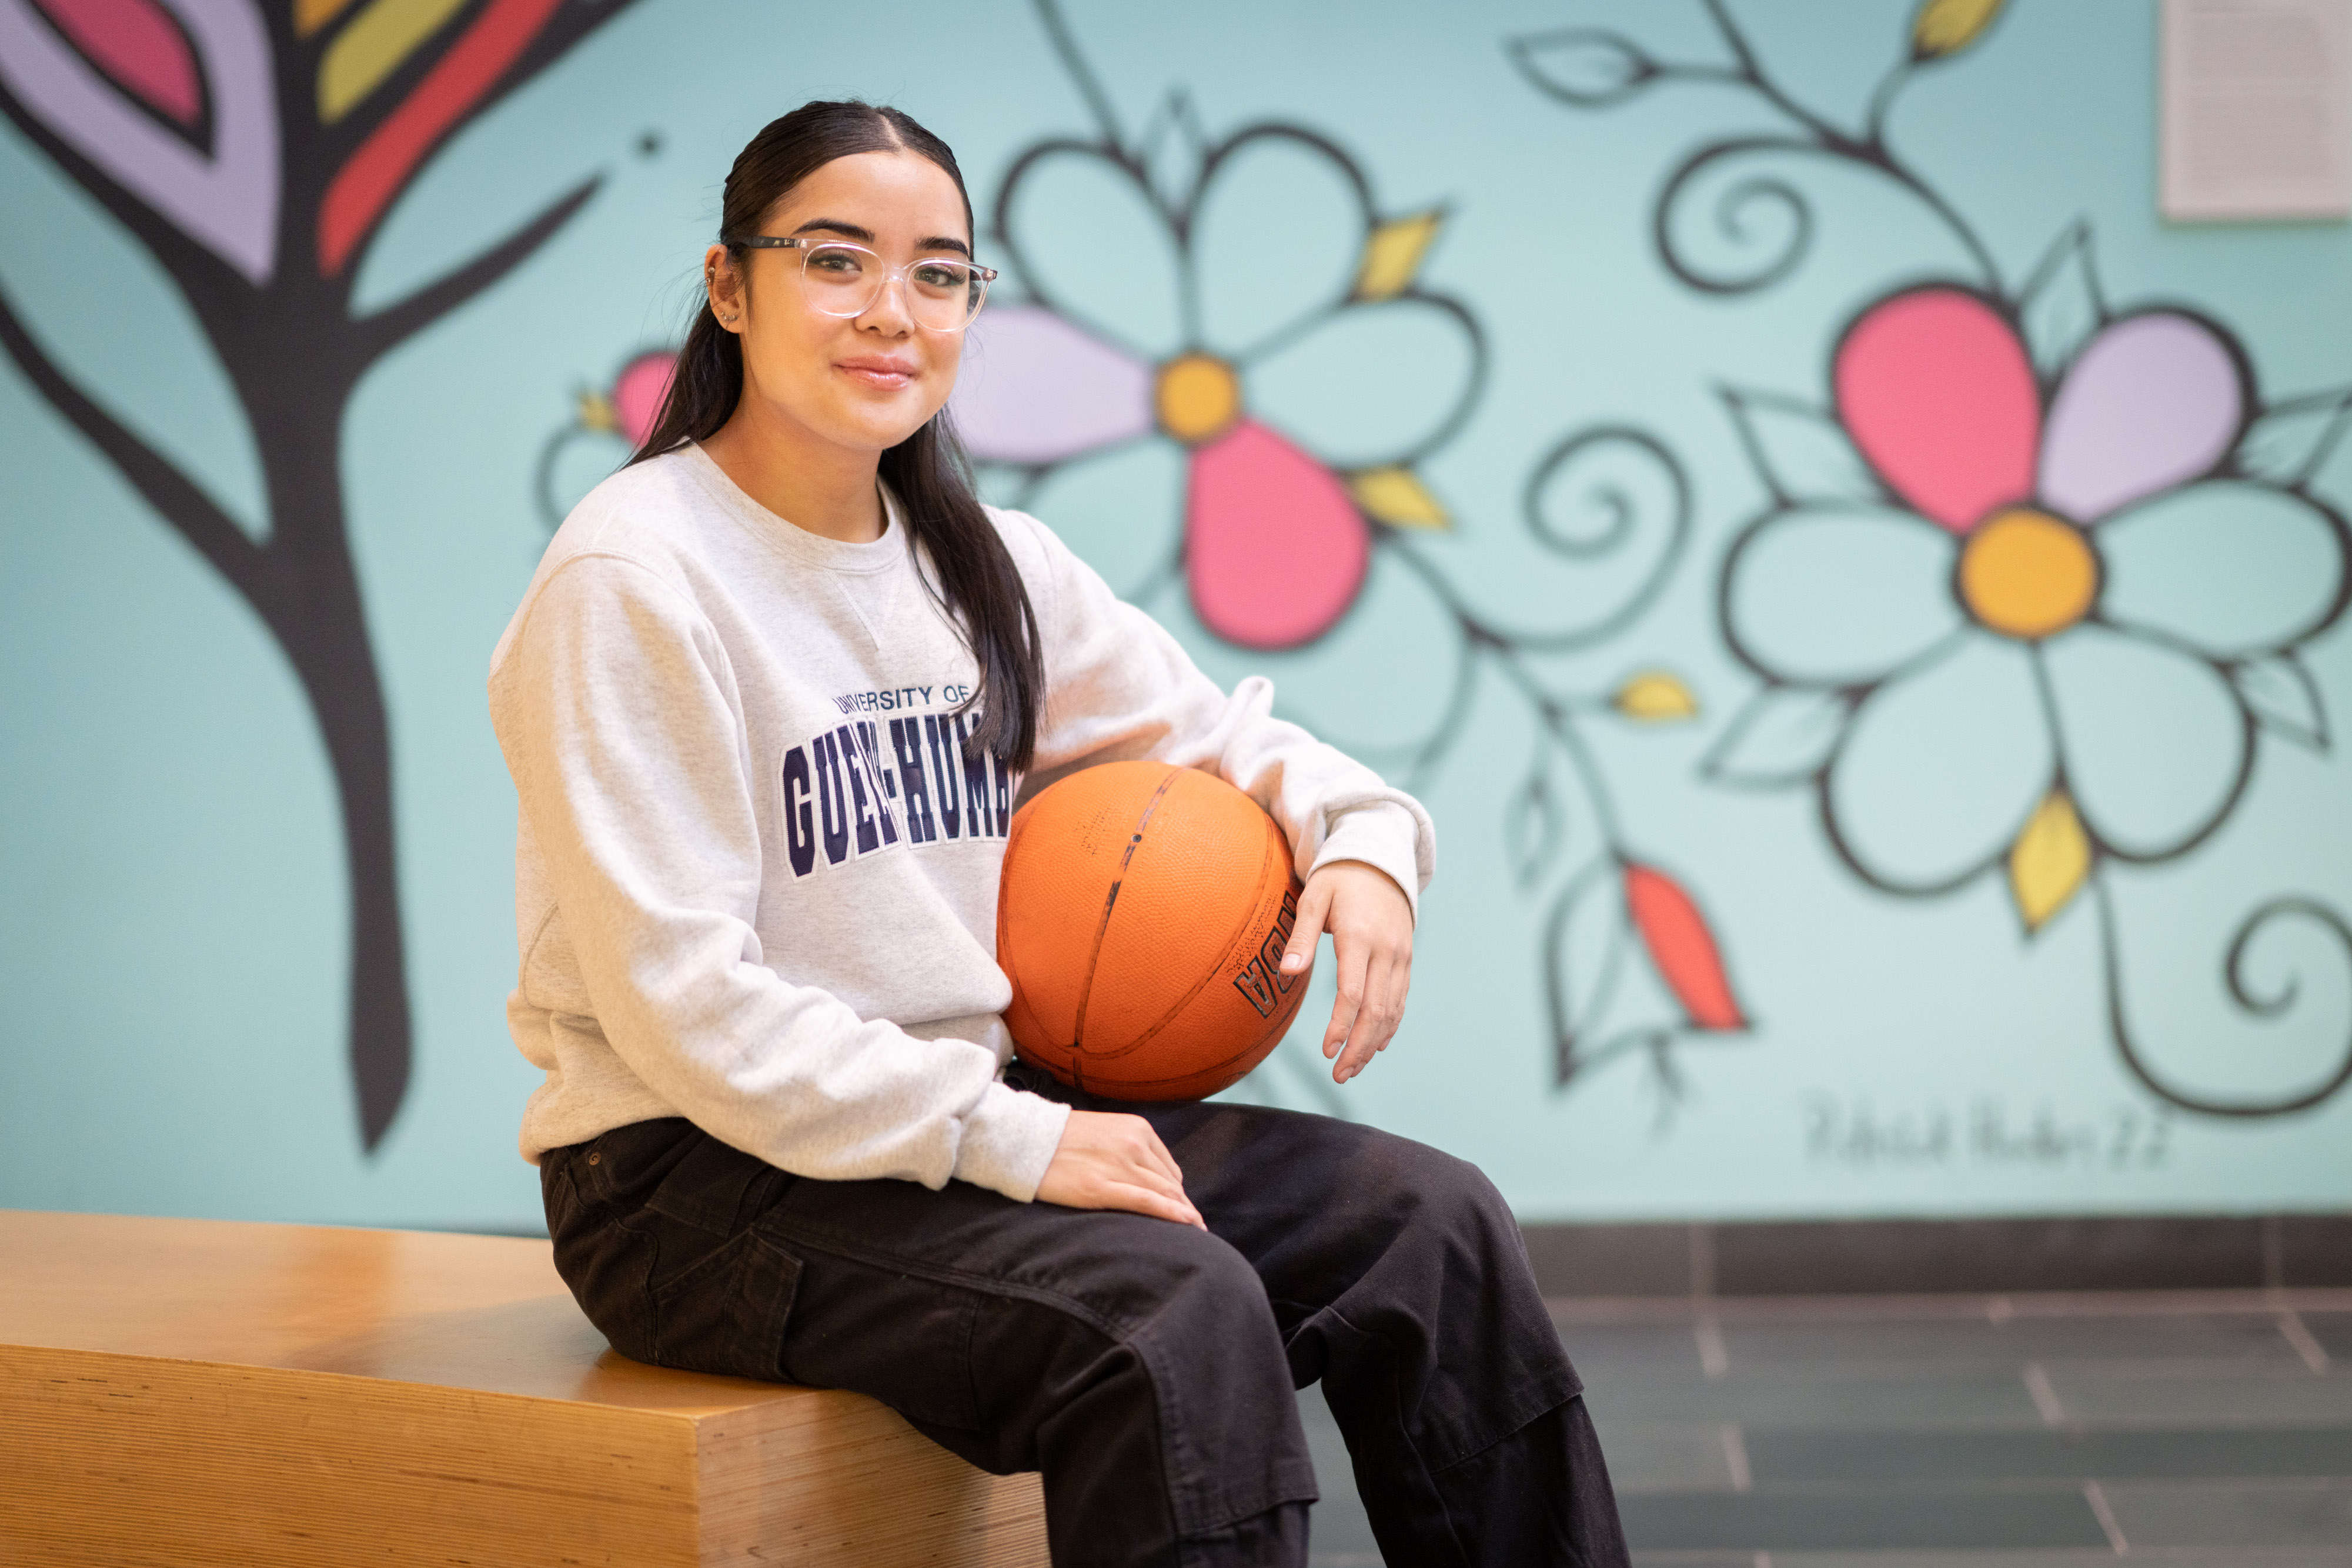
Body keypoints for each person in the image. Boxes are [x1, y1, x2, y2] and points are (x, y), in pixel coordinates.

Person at [489, 99, 1628, 1568]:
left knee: (1433, 1226)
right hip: (691, 1183)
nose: (890, 311)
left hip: (948, 1131)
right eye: (836, 261)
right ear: (730, 286)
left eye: (939, 272)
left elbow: (1219, 741)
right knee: (1171, 1310)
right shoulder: (635, 578)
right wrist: (1016, 1140)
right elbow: (683, 1006)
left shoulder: (983, 563)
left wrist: (1359, 838)